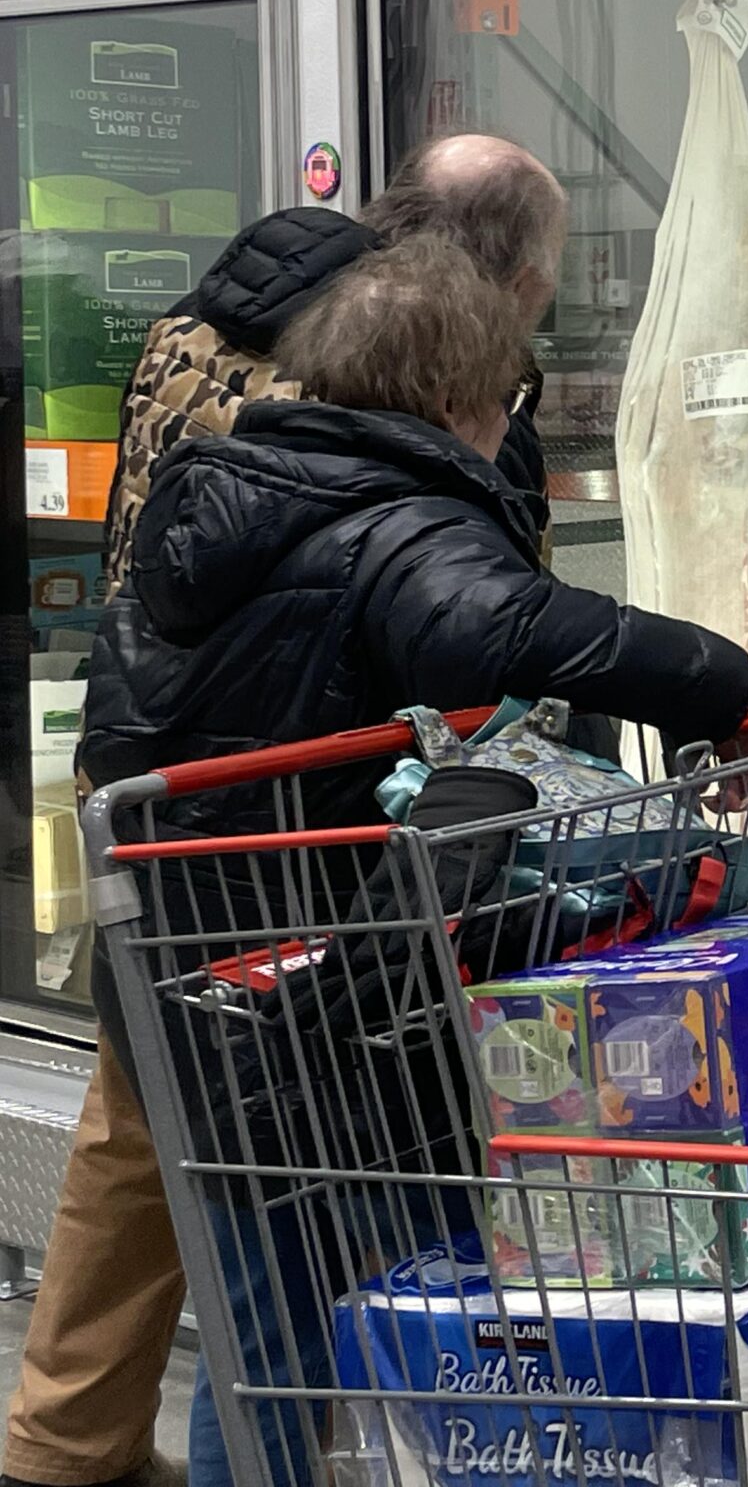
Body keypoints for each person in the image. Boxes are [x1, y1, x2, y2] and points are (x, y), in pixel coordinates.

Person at [80, 236, 748, 1487]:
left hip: (202, 984)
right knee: (400, 1315)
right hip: (329, 1004)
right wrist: (720, 684)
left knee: (268, 1338)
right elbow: (492, 620)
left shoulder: (223, 495)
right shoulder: (391, 518)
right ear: (459, 393)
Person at [1, 135, 569, 1487]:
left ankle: (63, 1439)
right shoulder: (416, 363)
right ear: (511, 283)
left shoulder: (219, 311)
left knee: (146, 1114)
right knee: (269, 1170)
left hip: (162, 762)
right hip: (294, 807)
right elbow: (460, 608)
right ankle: (189, 1447)